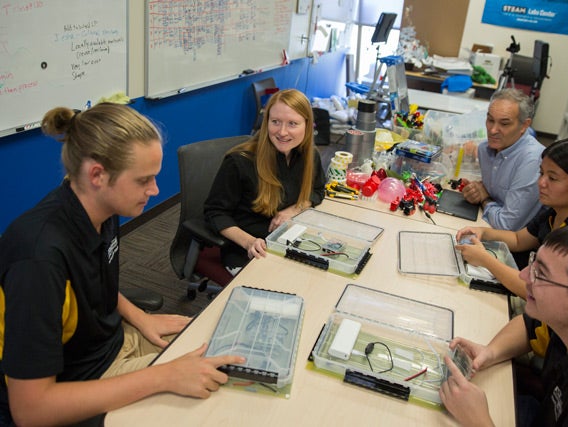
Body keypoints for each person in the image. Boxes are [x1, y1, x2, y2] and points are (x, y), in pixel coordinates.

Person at [0, 103, 245, 426]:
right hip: (77, 384)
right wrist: (162, 377)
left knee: (227, 364)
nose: (155, 190)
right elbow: (31, 410)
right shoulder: (38, 259)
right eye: (144, 180)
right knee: (212, 407)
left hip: (111, 345)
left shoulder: (102, 208)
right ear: (98, 175)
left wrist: (142, 318)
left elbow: (92, 283)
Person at [439, 225, 568, 426]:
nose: (523, 276)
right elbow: (530, 325)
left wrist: (478, 421)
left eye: (540, 274)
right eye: (532, 264)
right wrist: (490, 352)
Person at [456, 138, 568, 299]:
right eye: (541, 173)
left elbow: (534, 291)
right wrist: (482, 232)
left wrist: (485, 260)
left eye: (552, 178)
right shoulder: (554, 212)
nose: (541, 182)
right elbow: (519, 239)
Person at [204, 88, 325, 274]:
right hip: (249, 250)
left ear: (307, 126)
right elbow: (215, 213)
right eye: (275, 122)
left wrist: (293, 210)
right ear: (266, 121)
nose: (282, 132)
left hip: (288, 239)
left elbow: (317, 190)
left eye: (292, 123)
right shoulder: (240, 161)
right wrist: (249, 242)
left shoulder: (309, 156)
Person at [461, 88, 545, 230]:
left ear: (524, 125)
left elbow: (507, 225)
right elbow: (492, 194)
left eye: (504, 124)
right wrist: (475, 192)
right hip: (488, 225)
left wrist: (484, 199)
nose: (493, 130)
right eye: (490, 120)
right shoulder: (484, 150)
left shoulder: (532, 160)